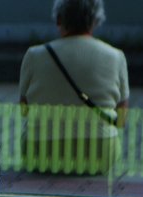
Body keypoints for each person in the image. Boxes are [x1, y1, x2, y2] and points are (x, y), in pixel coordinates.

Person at [18, 0, 128, 174]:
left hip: (40, 152)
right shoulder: (115, 56)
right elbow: (121, 120)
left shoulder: (34, 55)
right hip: (100, 153)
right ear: (96, 20)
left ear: (59, 19)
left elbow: (24, 110)